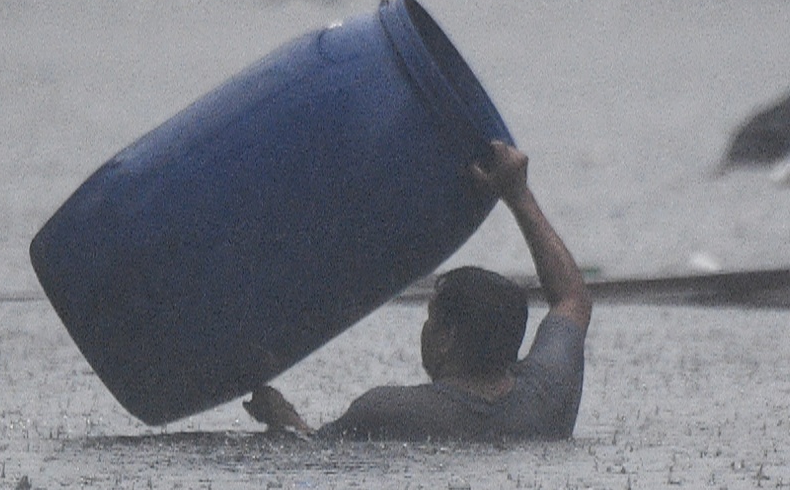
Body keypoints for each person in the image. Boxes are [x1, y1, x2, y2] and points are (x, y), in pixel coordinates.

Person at [243, 140, 593, 441]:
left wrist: (280, 416)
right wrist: (518, 193)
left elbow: (313, 449)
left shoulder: (389, 413)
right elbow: (572, 297)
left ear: (446, 338)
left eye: (430, 319)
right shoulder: (548, 399)